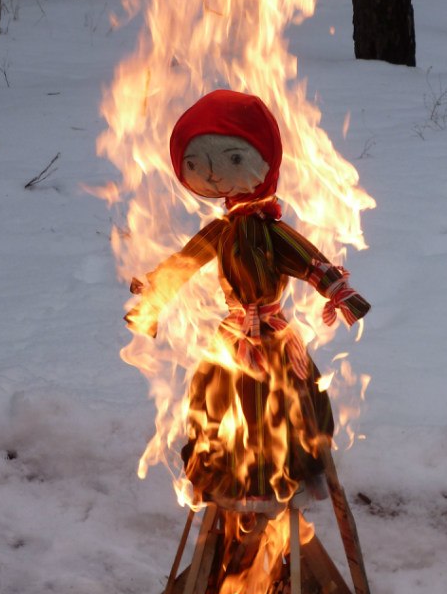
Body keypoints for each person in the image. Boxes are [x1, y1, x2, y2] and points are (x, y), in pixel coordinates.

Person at [126, 89, 370, 514]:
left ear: (264, 164)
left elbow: (307, 258)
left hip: (273, 335)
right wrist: (155, 296)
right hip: (233, 335)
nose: (216, 175)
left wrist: (337, 289)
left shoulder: (270, 228)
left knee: (285, 402)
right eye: (198, 164)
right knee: (215, 400)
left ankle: (282, 476)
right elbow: (185, 263)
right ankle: (228, 476)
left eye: (233, 160)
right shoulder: (219, 232)